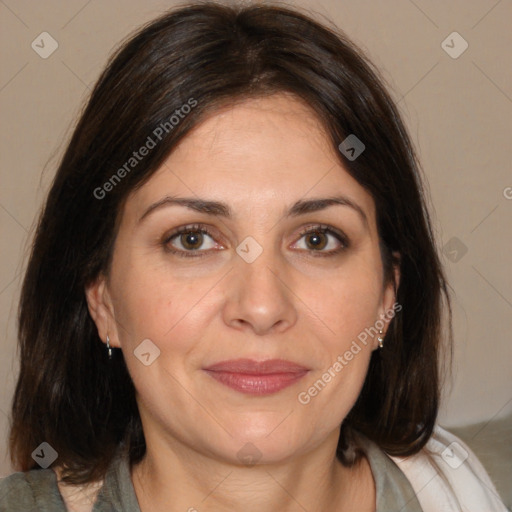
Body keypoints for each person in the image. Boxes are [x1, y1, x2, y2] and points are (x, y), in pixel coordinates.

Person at [0, 2, 507, 511]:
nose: (262, 307)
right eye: (193, 239)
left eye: (317, 239)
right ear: (103, 300)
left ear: (386, 297)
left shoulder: (461, 492)